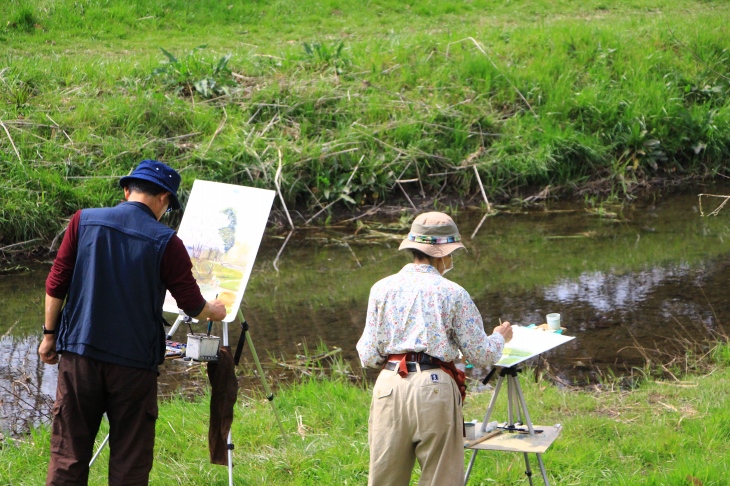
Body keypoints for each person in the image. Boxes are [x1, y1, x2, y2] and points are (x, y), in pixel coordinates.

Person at [38, 159, 227, 486]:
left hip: (80, 357)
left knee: (68, 455)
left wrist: (49, 335)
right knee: (130, 460)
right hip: (133, 367)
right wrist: (216, 311)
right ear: (164, 199)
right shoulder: (167, 242)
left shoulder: (83, 221)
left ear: (127, 191)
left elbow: (56, 283)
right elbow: (192, 305)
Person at [356, 211, 513, 486]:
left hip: (389, 386)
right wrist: (500, 337)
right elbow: (480, 354)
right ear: (442, 254)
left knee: (384, 480)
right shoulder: (453, 292)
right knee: (440, 480)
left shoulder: (381, 288)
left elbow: (368, 355)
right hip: (434, 387)